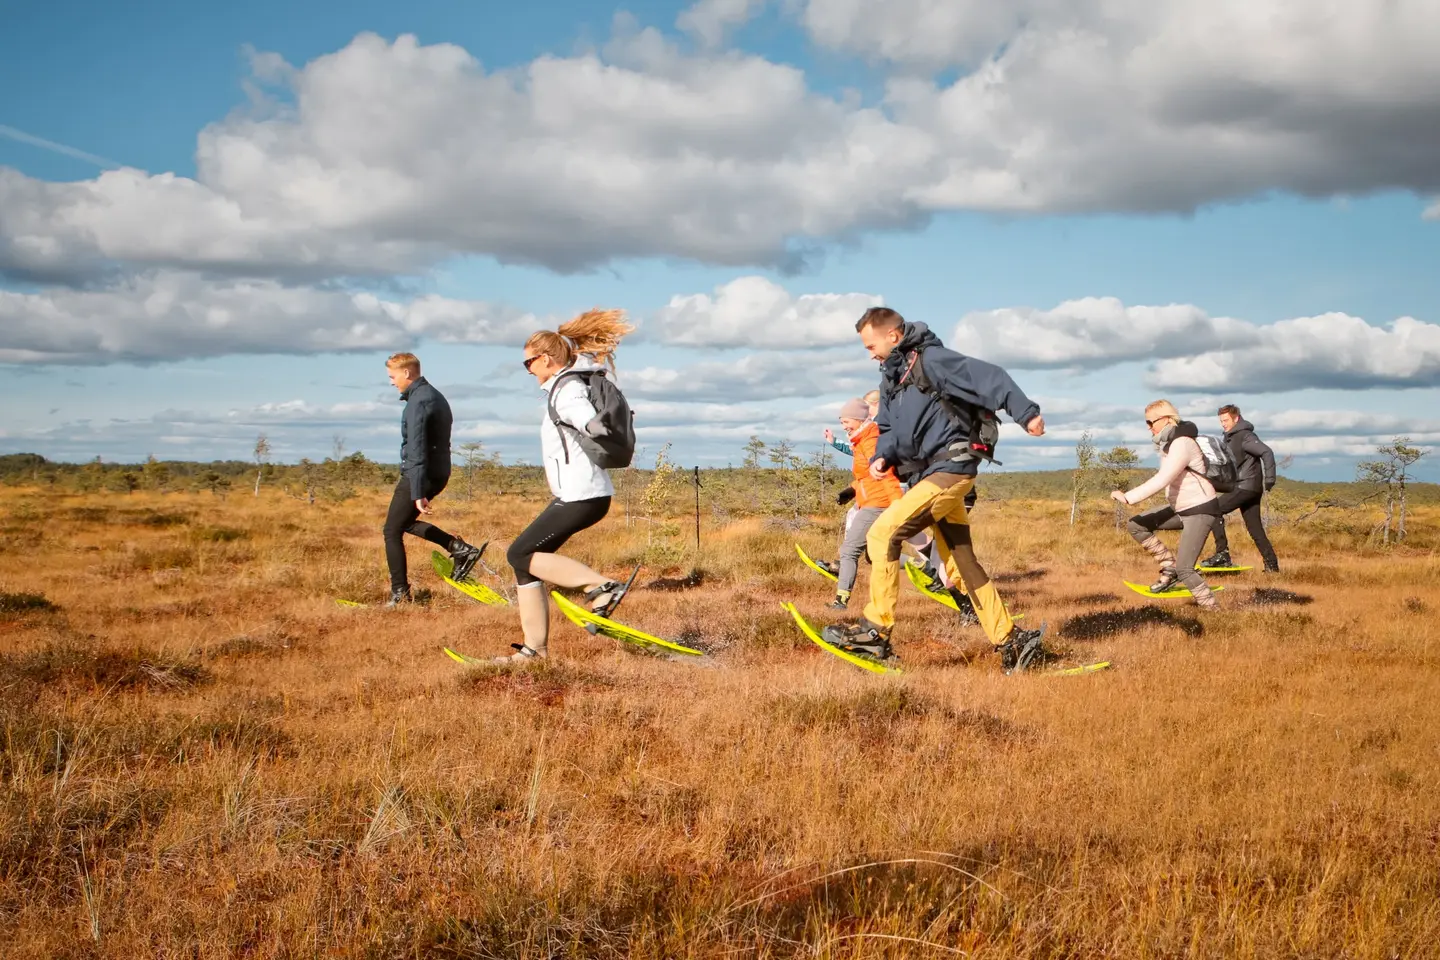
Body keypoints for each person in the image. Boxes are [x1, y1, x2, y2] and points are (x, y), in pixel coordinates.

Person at [822, 307, 1049, 672]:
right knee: (962, 563)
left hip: (951, 469)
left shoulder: (933, 360)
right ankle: (1012, 640)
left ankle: (875, 633)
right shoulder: (892, 380)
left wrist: (1026, 413)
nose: (870, 353)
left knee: (883, 535)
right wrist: (883, 457)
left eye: (871, 345)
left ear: (893, 336)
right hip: (927, 474)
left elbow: (990, 376)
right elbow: (889, 428)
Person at [496, 309, 636, 662]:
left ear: (545, 359)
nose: (527, 370)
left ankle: (601, 587)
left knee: (518, 552)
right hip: (581, 493)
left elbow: (579, 413)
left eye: (528, 363)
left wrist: (593, 425)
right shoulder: (566, 385)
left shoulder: (566, 388)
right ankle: (534, 651)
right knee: (524, 563)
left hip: (581, 495)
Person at [383, 352, 485, 607]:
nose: (391, 382)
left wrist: (417, 490)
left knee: (391, 531)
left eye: (392, 376)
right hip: (436, 472)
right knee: (403, 523)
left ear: (407, 373)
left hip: (421, 472)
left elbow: (416, 447)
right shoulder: (432, 395)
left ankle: (400, 593)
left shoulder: (419, 401)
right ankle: (458, 548)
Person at [1110, 400, 1220, 609]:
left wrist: (1128, 497)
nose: (1148, 427)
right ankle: (1169, 567)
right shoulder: (1169, 445)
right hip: (1181, 508)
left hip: (1200, 509)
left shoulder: (1182, 443)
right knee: (1137, 525)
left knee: (1186, 569)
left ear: (1168, 419)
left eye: (1151, 422)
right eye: (1147, 422)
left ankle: (1214, 611)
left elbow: (1163, 478)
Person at [825, 397, 904, 610]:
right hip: (869, 500)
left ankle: (840, 602)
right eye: (842, 423)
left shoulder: (870, 441)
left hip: (877, 503)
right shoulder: (862, 439)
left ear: (860, 419)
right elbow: (865, 476)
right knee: (873, 554)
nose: (844, 427)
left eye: (846, 422)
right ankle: (923, 566)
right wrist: (850, 491)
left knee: (849, 550)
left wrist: (897, 504)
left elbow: (884, 472)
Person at [1200, 404, 1279, 572]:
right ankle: (1272, 566)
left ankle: (1222, 555)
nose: (1223, 424)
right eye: (1221, 420)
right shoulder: (1230, 438)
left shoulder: (1245, 436)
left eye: (1226, 420)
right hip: (1248, 487)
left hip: (1246, 486)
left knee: (1213, 510)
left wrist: (1270, 478)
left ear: (1236, 418)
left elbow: (1266, 452)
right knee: (1255, 527)